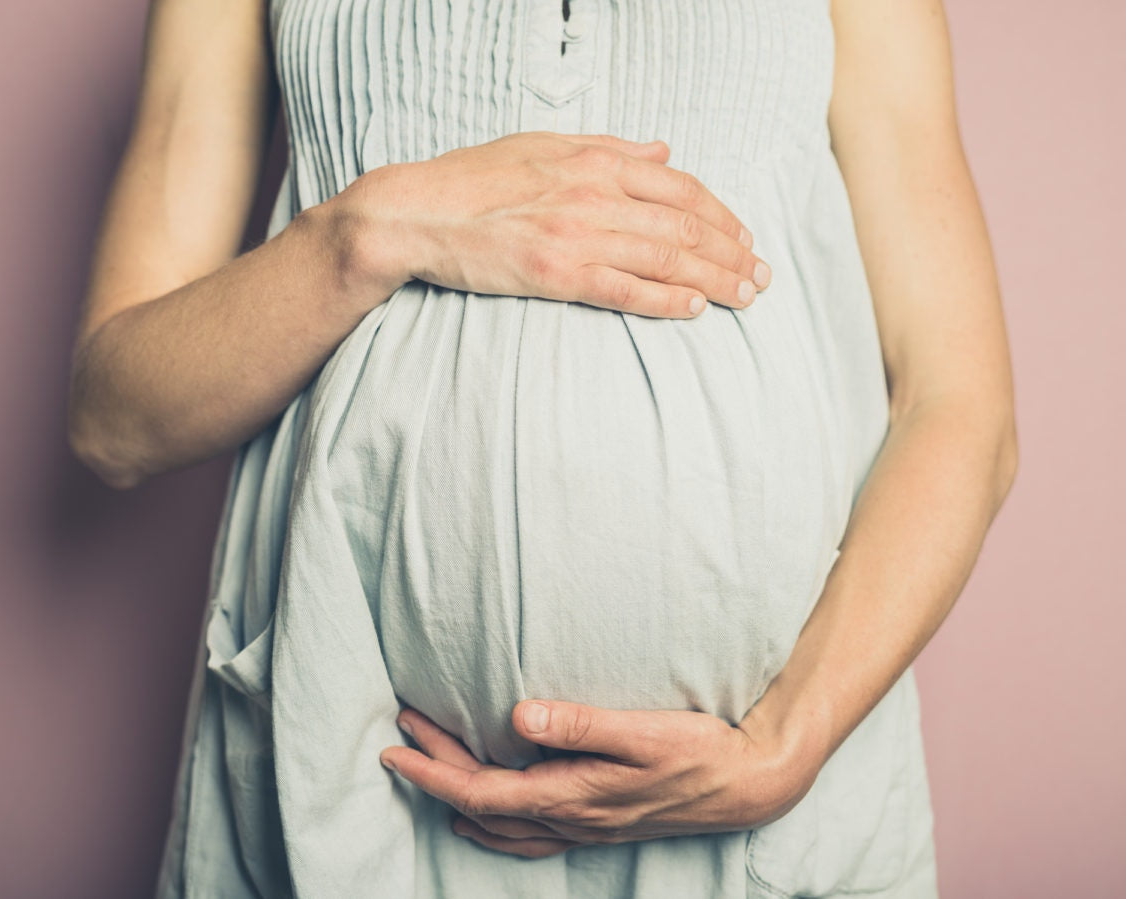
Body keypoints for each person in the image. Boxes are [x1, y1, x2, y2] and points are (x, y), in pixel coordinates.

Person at [67, 0, 1017, 896]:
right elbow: (114, 416)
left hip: (760, 823)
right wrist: (371, 227)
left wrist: (785, 746)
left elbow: (960, 403)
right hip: (354, 794)